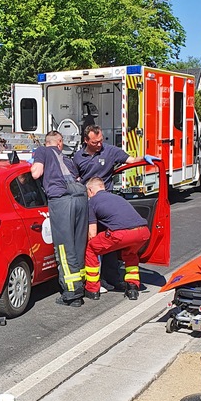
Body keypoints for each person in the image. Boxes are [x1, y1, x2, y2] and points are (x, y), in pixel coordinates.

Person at [73, 125, 158, 291]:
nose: (99, 144)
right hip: (87, 200)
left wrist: (143, 158)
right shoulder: (78, 157)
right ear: (86, 141)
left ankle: (107, 280)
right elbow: (75, 178)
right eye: (95, 142)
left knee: (108, 246)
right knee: (89, 242)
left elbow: (131, 161)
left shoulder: (110, 151)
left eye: (101, 140)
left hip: (103, 201)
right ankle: (93, 278)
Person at [30, 130, 88, 307]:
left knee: (64, 247)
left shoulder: (43, 150)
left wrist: (32, 164)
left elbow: (35, 173)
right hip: (81, 198)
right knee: (79, 245)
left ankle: (71, 293)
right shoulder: (67, 159)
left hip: (61, 201)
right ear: (60, 142)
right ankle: (81, 286)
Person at [84, 177, 150, 301]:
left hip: (121, 234)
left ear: (90, 190)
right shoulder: (117, 198)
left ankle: (92, 289)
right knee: (130, 253)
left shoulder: (92, 202)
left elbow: (92, 233)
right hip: (143, 232)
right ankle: (132, 288)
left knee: (91, 248)